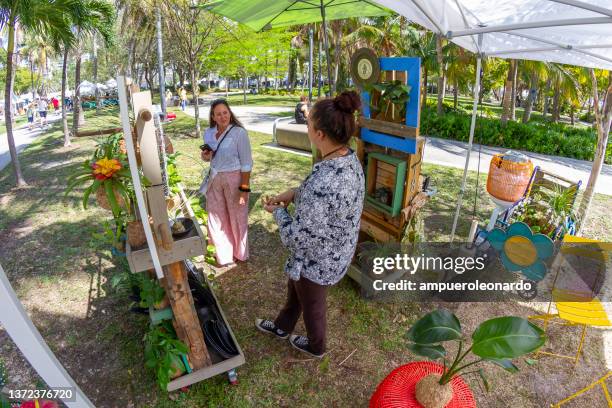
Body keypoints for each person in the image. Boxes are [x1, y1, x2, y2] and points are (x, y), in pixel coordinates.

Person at [255, 91, 365, 358]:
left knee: (313, 305)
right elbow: (323, 203)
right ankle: (283, 326)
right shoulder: (346, 158)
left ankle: (317, 346)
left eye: (309, 124)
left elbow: (297, 239)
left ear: (320, 134)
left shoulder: (324, 181)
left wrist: (277, 212)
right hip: (333, 250)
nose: (306, 127)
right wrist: (293, 194)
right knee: (296, 288)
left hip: (319, 260)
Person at [200, 99, 252, 266]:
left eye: (225, 112)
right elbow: (209, 156)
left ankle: (240, 253)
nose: (222, 116)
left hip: (235, 178)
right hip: (215, 179)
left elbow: (246, 163)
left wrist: (244, 189)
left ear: (230, 113)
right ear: (213, 117)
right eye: (218, 114)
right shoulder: (208, 133)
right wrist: (206, 156)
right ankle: (223, 255)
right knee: (215, 216)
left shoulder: (239, 133)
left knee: (237, 216)